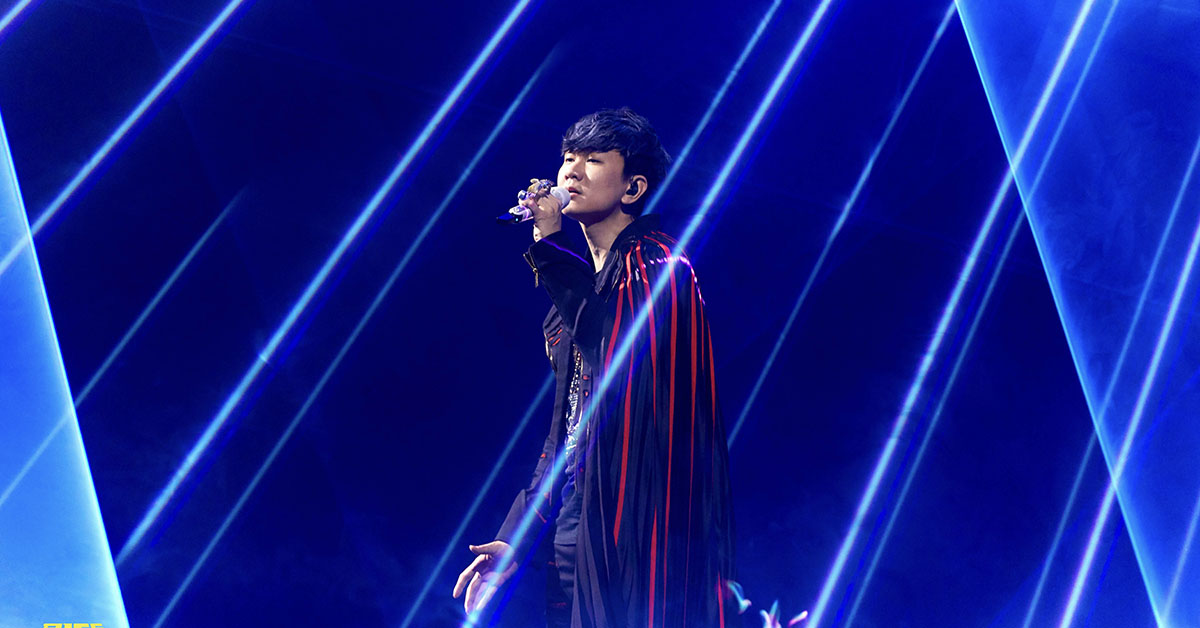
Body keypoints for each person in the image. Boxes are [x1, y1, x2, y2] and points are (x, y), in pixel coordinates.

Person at [453, 108, 736, 628]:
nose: (571, 171)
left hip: (641, 525)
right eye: (567, 158)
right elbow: (567, 430)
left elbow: (614, 348)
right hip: (579, 518)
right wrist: (517, 537)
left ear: (633, 188)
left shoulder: (658, 264)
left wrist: (550, 245)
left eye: (593, 159)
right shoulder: (578, 294)